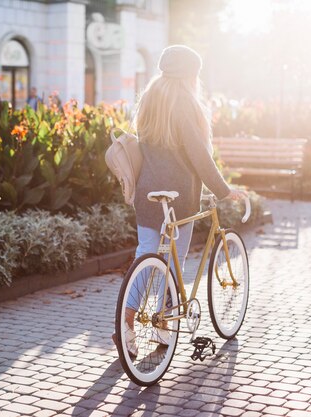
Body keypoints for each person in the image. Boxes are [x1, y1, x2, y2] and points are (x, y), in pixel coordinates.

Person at [112, 45, 247, 354]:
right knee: (175, 260)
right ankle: (162, 325)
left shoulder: (150, 97)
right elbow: (198, 154)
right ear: (191, 74)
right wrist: (224, 190)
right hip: (180, 194)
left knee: (146, 254)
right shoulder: (185, 101)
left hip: (148, 193)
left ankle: (127, 322)